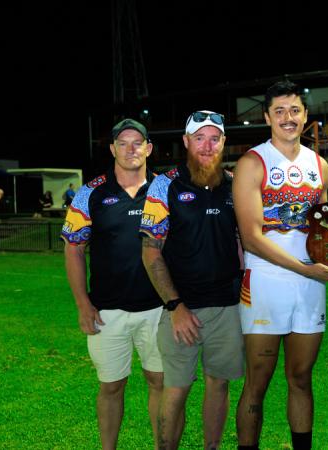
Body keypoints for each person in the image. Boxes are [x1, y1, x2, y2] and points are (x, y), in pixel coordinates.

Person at [233, 80, 328, 450]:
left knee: (300, 377)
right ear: (267, 117)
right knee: (257, 379)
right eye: (279, 111)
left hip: (308, 284)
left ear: (305, 116)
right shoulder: (252, 162)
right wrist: (306, 269)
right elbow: (251, 238)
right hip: (266, 282)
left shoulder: (320, 165)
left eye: (294, 110)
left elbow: (322, 227)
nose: (288, 118)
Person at [140, 111, 244, 450]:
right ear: (186, 141)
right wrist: (175, 306)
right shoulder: (165, 184)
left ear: (224, 142)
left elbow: (243, 242)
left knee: (219, 385)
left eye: (215, 138)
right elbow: (151, 252)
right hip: (181, 309)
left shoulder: (234, 183)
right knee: (177, 387)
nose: (207, 145)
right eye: (199, 137)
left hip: (227, 307)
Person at [62, 118, 164, 449]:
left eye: (138, 143)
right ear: (113, 149)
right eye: (123, 142)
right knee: (110, 386)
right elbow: (74, 248)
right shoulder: (90, 192)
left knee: (160, 383)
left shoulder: (166, 189)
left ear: (148, 148)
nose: (131, 148)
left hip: (160, 309)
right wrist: (83, 304)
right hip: (107, 311)